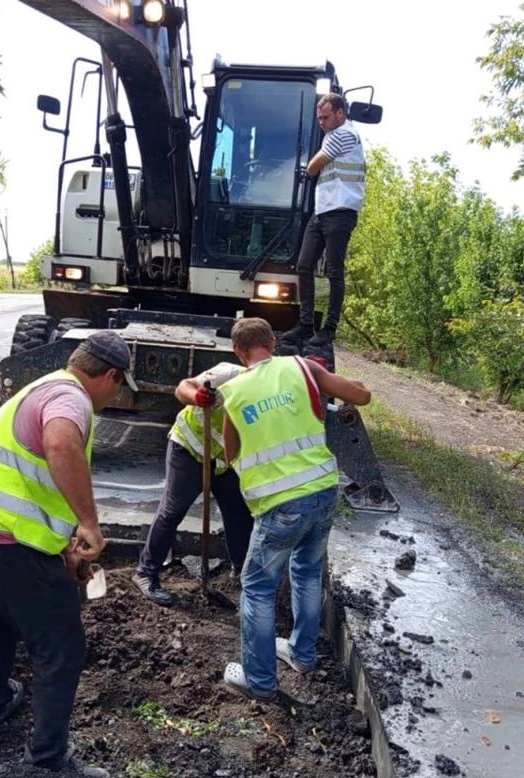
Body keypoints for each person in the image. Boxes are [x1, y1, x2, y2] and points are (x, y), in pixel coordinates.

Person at [0, 332, 137, 777]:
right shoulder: (72, 399)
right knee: (62, 647)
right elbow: (60, 445)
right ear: (108, 375)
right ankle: (48, 759)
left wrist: (66, 544)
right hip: (6, 544)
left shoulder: (41, 385)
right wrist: (89, 524)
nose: (116, 395)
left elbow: (34, 483)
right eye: (119, 385)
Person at [217, 318, 372, 700]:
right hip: (323, 490)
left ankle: (259, 680)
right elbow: (361, 396)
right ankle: (302, 655)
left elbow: (230, 452)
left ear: (237, 352)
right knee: (306, 572)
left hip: (279, 505)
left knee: (257, 588)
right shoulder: (303, 366)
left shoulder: (233, 391)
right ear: (273, 342)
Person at [130, 360, 254, 605]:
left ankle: (242, 573)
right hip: (189, 448)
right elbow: (182, 388)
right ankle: (146, 573)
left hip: (223, 460)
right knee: (173, 509)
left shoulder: (269, 394)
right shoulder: (228, 374)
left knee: (239, 513)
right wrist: (197, 396)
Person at [280, 93, 366, 352]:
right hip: (323, 211)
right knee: (304, 265)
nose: (321, 122)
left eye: (326, 117)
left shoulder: (344, 134)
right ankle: (306, 324)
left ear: (341, 113)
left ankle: (328, 330)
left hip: (340, 212)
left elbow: (314, 166)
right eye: (319, 118)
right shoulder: (333, 135)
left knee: (334, 271)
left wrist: (308, 165)